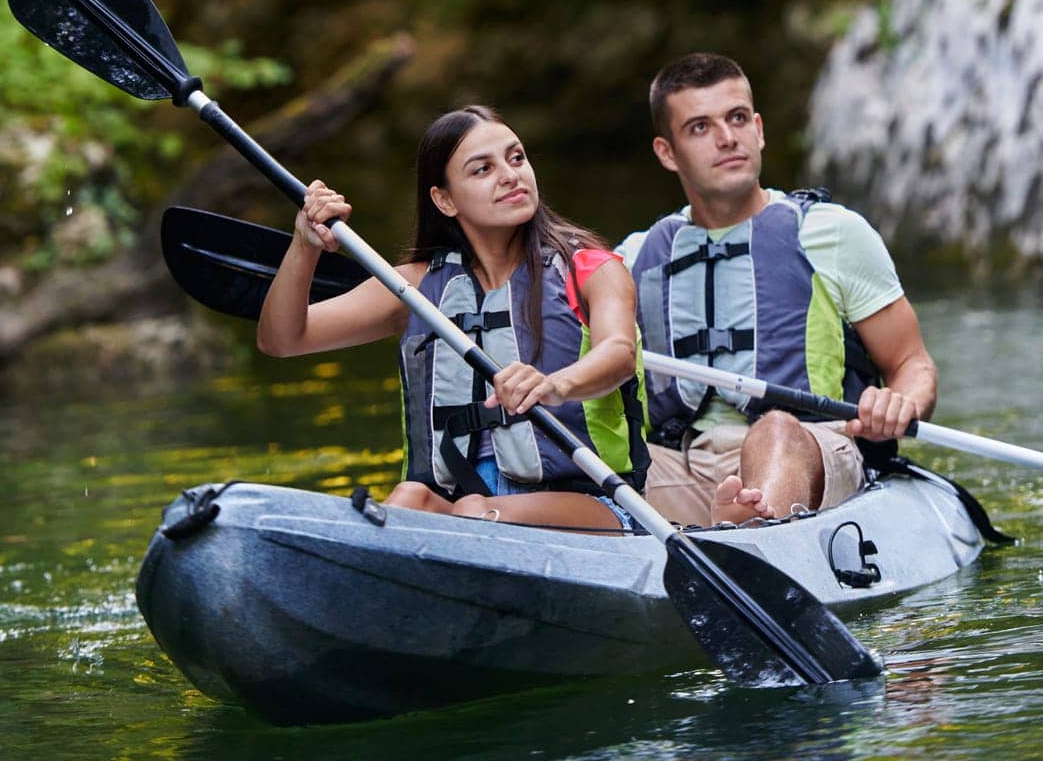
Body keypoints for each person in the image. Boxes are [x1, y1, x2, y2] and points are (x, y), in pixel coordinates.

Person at [257, 104, 650, 532]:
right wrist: (304, 245)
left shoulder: (590, 267)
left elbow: (618, 353)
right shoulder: (415, 289)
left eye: (516, 158)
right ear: (444, 200)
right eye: (482, 169)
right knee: (411, 497)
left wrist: (556, 385)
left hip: (594, 504)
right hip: (463, 506)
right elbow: (282, 339)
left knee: (473, 512)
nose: (510, 175)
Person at [619, 53, 937, 528]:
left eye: (738, 118)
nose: (728, 138)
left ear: (760, 129)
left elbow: (912, 363)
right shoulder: (634, 258)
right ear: (667, 152)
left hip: (810, 445)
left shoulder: (834, 233)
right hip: (680, 466)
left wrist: (900, 402)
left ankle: (753, 529)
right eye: (700, 128)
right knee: (589, 458)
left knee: (774, 431)